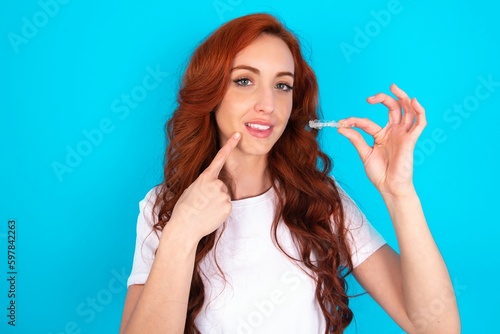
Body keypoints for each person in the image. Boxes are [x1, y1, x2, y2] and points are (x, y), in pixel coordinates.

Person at [119, 13, 460, 334]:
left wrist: (399, 192)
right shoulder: (164, 206)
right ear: (211, 92)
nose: (267, 103)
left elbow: (436, 326)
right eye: (244, 80)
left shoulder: (320, 201)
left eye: (282, 86)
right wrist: (181, 235)